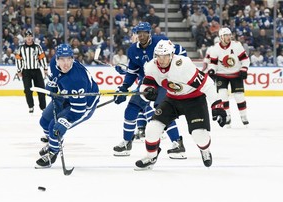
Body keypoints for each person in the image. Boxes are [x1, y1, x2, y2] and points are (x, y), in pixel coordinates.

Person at [134, 40, 227, 170]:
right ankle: (151, 157)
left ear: (172, 55)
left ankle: (205, 150)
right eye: (158, 56)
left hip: (194, 100)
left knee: (199, 136)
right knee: (152, 128)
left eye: (165, 56)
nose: (161, 59)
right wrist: (147, 92)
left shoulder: (183, 65)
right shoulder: (151, 66)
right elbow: (148, 83)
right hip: (172, 99)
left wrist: (217, 106)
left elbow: (207, 84)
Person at [113, 22, 187, 159]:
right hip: (148, 81)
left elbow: (181, 52)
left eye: (144, 32)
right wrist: (124, 87)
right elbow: (132, 72)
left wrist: (179, 73)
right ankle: (126, 143)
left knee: (162, 110)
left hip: (166, 79)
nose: (141, 36)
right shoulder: (133, 50)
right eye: (139, 33)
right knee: (131, 108)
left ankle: (177, 143)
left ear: (149, 33)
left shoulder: (161, 41)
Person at [36, 44, 100, 167]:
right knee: (44, 122)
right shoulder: (54, 64)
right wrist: (52, 87)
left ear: (72, 58)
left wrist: (66, 122)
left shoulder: (77, 79)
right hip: (66, 95)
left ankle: (53, 152)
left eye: (68, 59)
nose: (65, 63)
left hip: (84, 104)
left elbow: (79, 110)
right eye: (62, 59)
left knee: (54, 128)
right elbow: (54, 81)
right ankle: (52, 143)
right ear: (57, 58)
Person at [207, 27, 250, 127]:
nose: (228, 37)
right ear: (221, 37)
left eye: (229, 35)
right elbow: (212, 63)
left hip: (236, 74)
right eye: (226, 35)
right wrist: (212, 70)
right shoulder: (215, 49)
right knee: (222, 96)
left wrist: (244, 69)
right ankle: (227, 116)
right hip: (221, 75)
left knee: (239, 96)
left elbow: (245, 59)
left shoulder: (237, 46)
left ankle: (243, 115)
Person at [15, 29, 48, 113]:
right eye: (27, 36)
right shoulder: (21, 48)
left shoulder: (37, 47)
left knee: (41, 89)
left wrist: (45, 68)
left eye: (30, 36)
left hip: (36, 70)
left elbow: (42, 57)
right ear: (25, 38)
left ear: (32, 37)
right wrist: (19, 70)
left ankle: (43, 107)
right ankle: (31, 106)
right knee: (27, 90)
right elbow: (18, 59)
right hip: (26, 71)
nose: (29, 38)